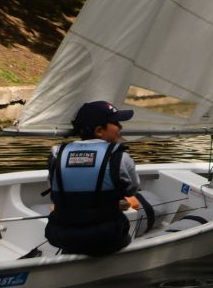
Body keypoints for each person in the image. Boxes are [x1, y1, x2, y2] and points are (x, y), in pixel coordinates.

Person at [45, 100, 145, 256]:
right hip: (106, 238)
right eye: (115, 122)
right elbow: (132, 189)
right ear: (99, 130)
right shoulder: (121, 158)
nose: (120, 127)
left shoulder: (56, 155)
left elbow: (55, 187)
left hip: (61, 235)